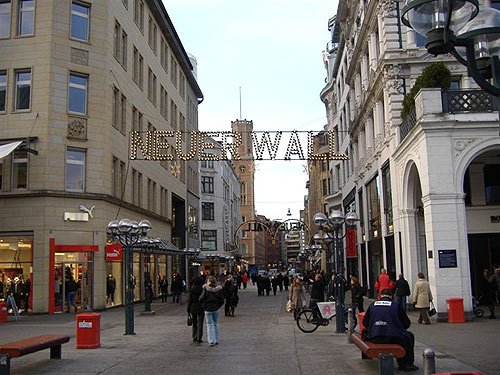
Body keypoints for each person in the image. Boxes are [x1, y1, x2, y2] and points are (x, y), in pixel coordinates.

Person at [362, 288, 419, 372]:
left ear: (380, 296)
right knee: (409, 337)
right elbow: (406, 323)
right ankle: (406, 364)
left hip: (375, 337)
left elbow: (365, 322)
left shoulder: (373, 304)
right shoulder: (396, 305)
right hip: (393, 337)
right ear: (391, 296)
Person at [199, 276, 224, 346]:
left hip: (208, 309)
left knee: (209, 325)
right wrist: (218, 306)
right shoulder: (218, 289)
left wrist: (204, 306)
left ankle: (211, 340)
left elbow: (201, 298)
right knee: (215, 324)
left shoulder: (205, 289)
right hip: (216, 309)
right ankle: (216, 339)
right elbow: (222, 300)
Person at [187, 277, 205, 345]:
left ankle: (194, 336)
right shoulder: (202, 290)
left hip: (193, 307)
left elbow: (190, 300)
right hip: (201, 307)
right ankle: (199, 338)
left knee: (194, 323)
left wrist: (188, 309)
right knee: (200, 323)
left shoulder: (192, 290)